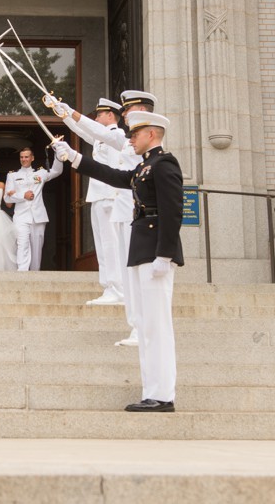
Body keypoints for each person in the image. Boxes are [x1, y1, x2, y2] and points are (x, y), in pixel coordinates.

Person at [51, 110, 184, 413]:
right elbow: (114, 176)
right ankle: (153, 392)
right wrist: (73, 157)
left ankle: (163, 395)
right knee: (147, 326)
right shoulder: (143, 167)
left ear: (151, 133)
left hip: (155, 255)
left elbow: (172, 211)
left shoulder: (164, 165)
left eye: (135, 134)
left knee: (157, 325)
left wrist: (165, 254)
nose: (131, 139)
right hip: (141, 252)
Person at [54, 90, 157, 346]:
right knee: (107, 248)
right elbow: (87, 133)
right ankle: (113, 290)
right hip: (107, 197)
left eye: (99, 113)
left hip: (117, 200)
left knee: (118, 253)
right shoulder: (118, 137)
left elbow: (97, 134)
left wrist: (69, 111)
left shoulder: (121, 136)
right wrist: (63, 114)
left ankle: (118, 291)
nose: (124, 116)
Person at [4, 146, 63, 271]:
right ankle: (22, 273)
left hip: (38, 216)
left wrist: (58, 152)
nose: (24, 159)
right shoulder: (12, 175)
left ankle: (34, 274)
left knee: (37, 249)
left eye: (26, 157)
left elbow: (57, 171)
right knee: (22, 244)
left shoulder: (40, 173)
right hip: (21, 216)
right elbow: (7, 199)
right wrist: (22, 196)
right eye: (21, 157)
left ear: (32, 158)